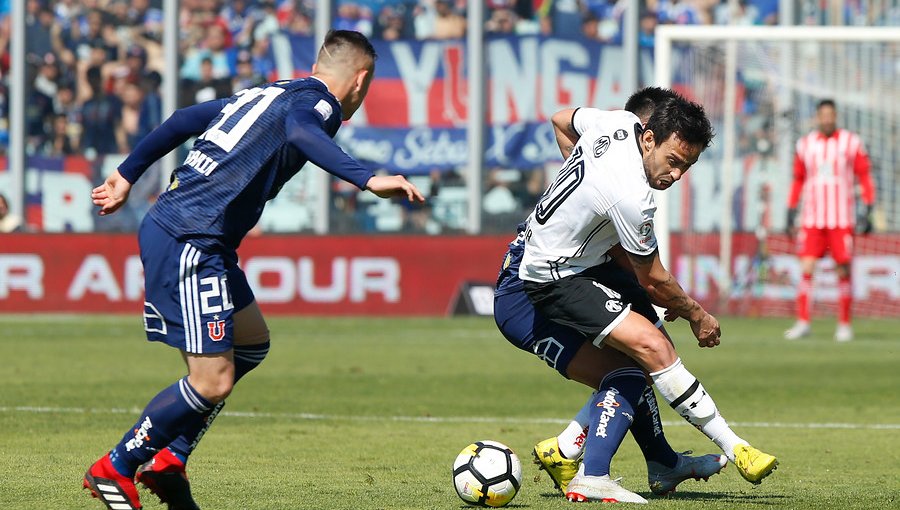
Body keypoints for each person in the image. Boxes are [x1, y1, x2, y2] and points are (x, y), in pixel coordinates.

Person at [82, 30, 424, 510]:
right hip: (191, 237)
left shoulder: (267, 92)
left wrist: (125, 173)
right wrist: (369, 179)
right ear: (361, 80)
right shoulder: (320, 106)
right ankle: (115, 467)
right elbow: (305, 134)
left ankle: (169, 461)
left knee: (251, 342)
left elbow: (183, 119)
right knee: (212, 381)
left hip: (196, 234)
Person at [495, 89, 777, 503]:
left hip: (582, 264)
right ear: (648, 138)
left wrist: (582, 197)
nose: (677, 176)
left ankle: (636, 458)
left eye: (688, 167)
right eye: (674, 162)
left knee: (648, 349)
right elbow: (655, 280)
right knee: (646, 351)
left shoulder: (614, 123)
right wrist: (700, 315)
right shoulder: (631, 195)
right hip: (544, 280)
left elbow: (560, 119)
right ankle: (730, 449)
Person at [783, 98, 875, 342]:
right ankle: (803, 322)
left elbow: (864, 175)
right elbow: (798, 179)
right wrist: (791, 209)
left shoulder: (850, 142)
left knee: (843, 269)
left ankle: (844, 325)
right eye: (822, 115)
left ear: (835, 116)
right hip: (812, 217)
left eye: (830, 115)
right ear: (817, 117)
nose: (826, 119)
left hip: (841, 217)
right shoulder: (805, 144)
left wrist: (868, 205)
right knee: (806, 267)